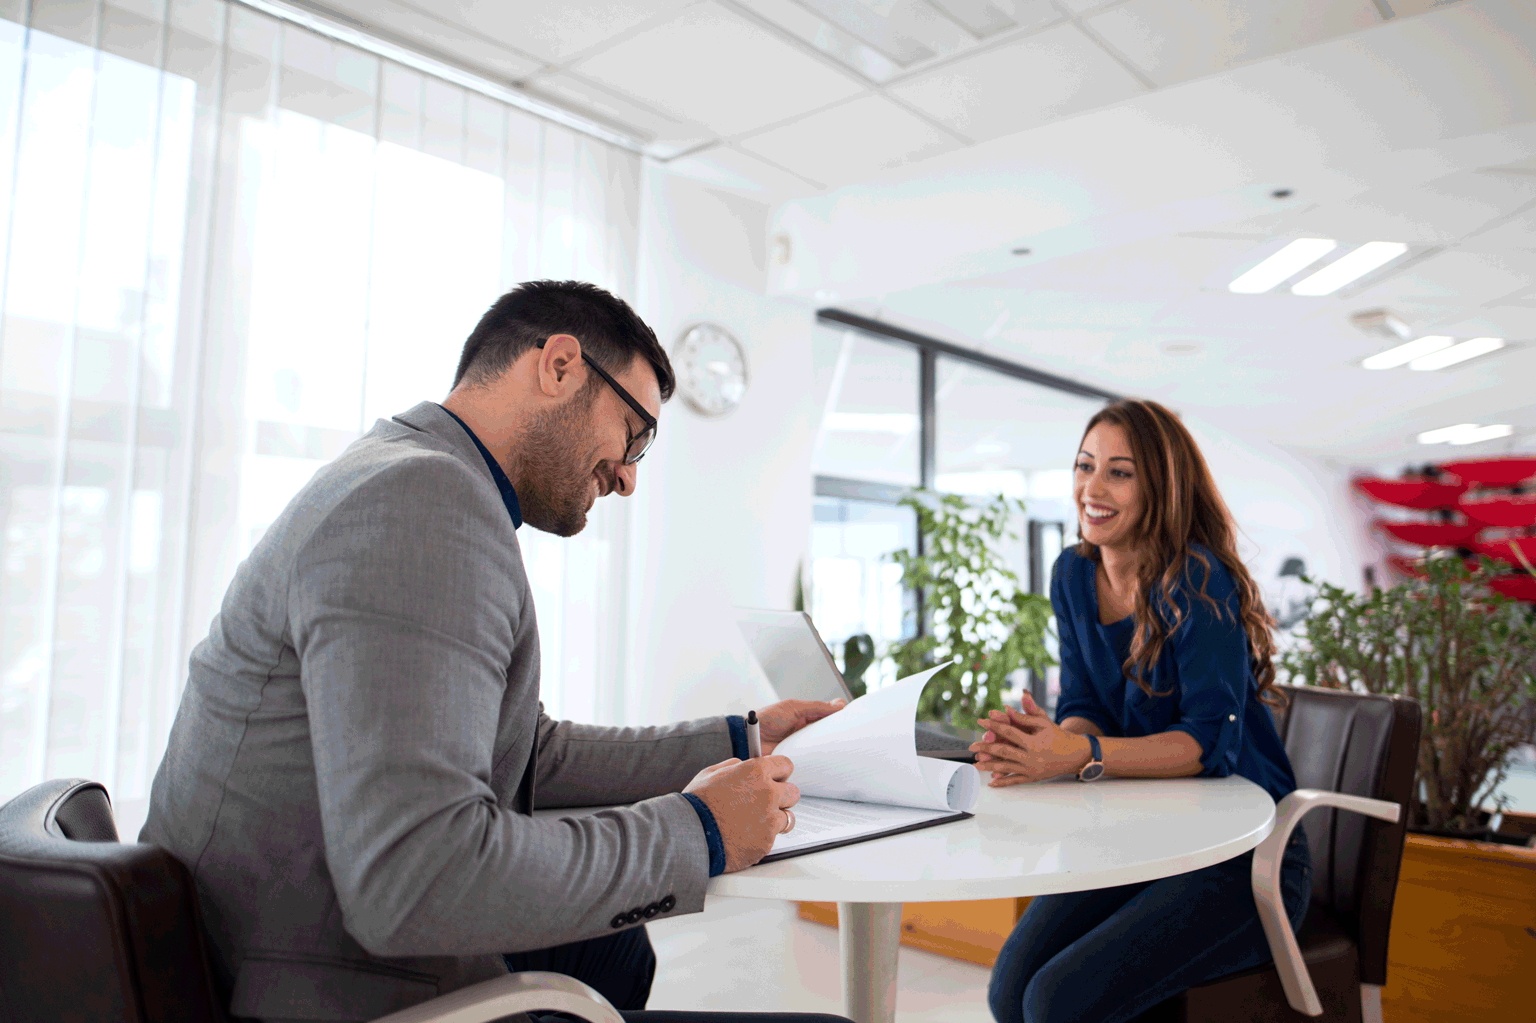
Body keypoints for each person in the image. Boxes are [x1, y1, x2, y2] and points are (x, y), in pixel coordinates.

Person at [141, 280, 850, 1023]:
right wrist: (698, 829)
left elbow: (526, 750)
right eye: (635, 434)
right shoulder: (421, 504)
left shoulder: (408, 470)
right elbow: (414, 878)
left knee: (617, 950)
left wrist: (743, 738)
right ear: (560, 367)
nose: (630, 477)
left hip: (274, 929)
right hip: (314, 980)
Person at [972, 399, 1312, 1023]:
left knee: (1057, 1002)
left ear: (1160, 486)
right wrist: (1050, 742)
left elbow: (1210, 745)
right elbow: (1084, 704)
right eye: (1084, 465)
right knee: (1008, 989)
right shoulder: (1072, 574)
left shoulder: (1199, 580)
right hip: (1145, 838)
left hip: (1244, 857)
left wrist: (1080, 754)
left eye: (1119, 473)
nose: (1092, 489)